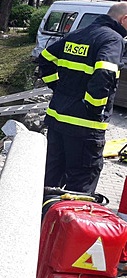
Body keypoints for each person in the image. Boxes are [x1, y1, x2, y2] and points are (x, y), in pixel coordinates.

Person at [38, 3, 127, 193]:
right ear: (124, 19)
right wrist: (94, 108)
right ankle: (66, 222)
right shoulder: (113, 39)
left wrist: (57, 86)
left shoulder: (76, 34)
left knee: (50, 181)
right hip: (84, 128)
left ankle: (44, 219)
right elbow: (105, 73)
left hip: (57, 121)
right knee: (80, 187)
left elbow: (45, 59)